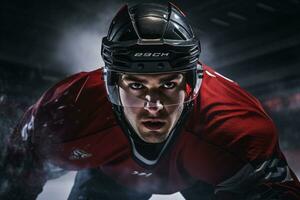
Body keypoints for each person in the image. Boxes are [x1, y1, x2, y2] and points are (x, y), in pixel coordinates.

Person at [1, 2, 300, 200]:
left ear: (191, 82)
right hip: (114, 176)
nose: (152, 105)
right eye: (136, 85)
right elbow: (18, 170)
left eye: (167, 84)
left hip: (204, 177)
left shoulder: (235, 126)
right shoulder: (67, 111)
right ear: (111, 85)